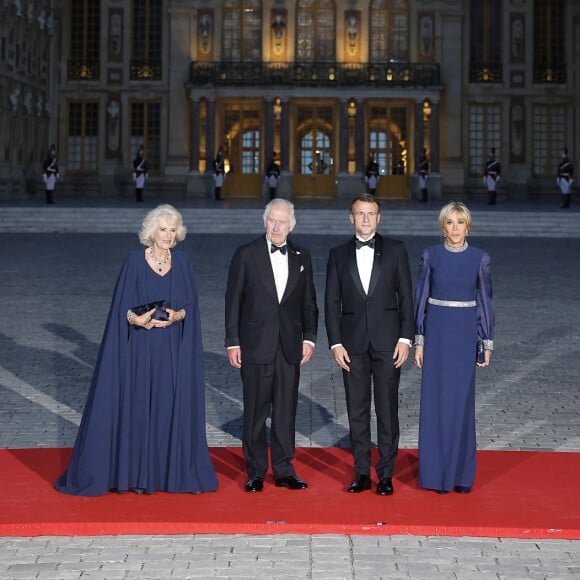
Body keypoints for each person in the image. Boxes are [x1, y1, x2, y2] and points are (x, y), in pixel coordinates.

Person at [55, 204, 218, 496]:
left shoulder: (183, 262)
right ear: (151, 231)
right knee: (140, 408)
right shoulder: (133, 262)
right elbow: (122, 309)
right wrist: (137, 319)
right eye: (163, 229)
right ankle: (136, 474)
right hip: (140, 351)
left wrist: (178, 316)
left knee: (167, 407)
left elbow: (191, 305)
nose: (167, 235)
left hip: (170, 350)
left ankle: (166, 475)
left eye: (172, 230)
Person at [225, 199, 318, 492]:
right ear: (264, 222)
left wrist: (309, 338)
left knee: (285, 410)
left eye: (282, 222)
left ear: (292, 225)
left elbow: (309, 302)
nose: (277, 227)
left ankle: (283, 469)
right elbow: (233, 302)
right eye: (272, 221)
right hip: (255, 345)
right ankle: (255, 471)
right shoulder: (246, 254)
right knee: (254, 411)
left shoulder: (303, 255)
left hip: (289, 346)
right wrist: (232, 342)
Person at [325, 194, 414, 496]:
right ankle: (361, 472)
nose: (365, 219)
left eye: (371, 214)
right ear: (350, 217)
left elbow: (407, 298)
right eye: (359, 213)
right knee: (357, 411)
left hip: (389, 343)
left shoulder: (396, 250)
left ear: (379, 218)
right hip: (352, 345)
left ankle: (386, 473)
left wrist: (406, 338)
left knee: (387, 410)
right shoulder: (337, 255)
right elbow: (331, 302)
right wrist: (335, 343)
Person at [413, 201, 494, 495]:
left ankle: (461, 474)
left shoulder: (480, 259)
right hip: (436, 335)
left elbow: (485, 302)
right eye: (450, 222)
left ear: (468, 225)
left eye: (460, 222)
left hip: (462, 336)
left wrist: (486, 342)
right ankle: (435, 475)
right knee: (435, 403)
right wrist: (419, 340)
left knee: (461, 404)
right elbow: (420, 298)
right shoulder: (430, 256)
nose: (456, 228)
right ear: (442, 226)